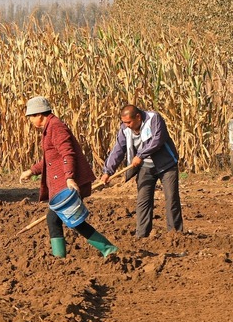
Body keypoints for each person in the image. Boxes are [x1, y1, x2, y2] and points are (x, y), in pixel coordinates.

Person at [18, 96, 118, 258]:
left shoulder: (56, 127)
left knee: (67, 220)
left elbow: (68, 153)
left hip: (65, 184)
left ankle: (107, 249)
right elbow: (51, 158)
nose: (30, 120)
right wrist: (32, 171)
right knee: (58, 220)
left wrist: (70, 178)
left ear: (39, 115)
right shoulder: (50, 128)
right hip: (60, 184)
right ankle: (62, 257)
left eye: (31, 117)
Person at [95, 104, 183, 238]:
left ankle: (175, 234)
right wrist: (108, 171)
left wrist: (141, 155)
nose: (126, 125)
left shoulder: (154, 118)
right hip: (145, 167)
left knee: (171, 198)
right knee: (143, 200)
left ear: (138, 117)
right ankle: (142, 235)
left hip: (166, 165)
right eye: (124, 122)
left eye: (128, 122)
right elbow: (118, 149)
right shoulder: (125, 129)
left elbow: (158, 139)